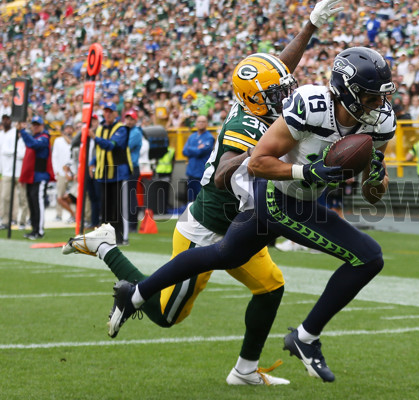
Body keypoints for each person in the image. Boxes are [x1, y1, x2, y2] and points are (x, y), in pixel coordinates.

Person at [62, 0, 343, 386]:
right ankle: (105, 246)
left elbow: (279, 67)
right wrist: (255, 156)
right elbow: (223, 174)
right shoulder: (247, 125)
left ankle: (244, 371)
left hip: (241, 226)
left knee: (271, 287)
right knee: (166, 316)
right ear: (258, 99)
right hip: (207, 230)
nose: (286, 95)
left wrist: (309, 25)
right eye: (278, 92)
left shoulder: (258, 101)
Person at [103, 46, 396, 383]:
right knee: (369, 257)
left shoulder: (381, 122)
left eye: (382, 96)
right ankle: (305, 337)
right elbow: (257, 162)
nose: (380, 105)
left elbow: (372, 194)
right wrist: (306, 173)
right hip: (278, 195)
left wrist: (376, 176)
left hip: (299, 199)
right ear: (348, 90)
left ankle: (135, 294)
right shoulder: (311, 106)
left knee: (221, 254)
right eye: (372, 97)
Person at [89, 102, 132, 244]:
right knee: (105, 208)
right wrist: (92, 162)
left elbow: (111, 146)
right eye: (105, 111)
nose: (107, 114)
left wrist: (95, 137)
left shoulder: (121, 129)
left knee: (119, 208)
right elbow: (101, 151)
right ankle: (106, 237)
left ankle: (122, 237)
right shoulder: (101, 128)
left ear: (115, 114)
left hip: (119, 173)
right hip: (104, 173)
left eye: (110, 111)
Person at [18, 115, 55, 239]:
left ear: (42, 126)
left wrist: (22, 131)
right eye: (33, 125)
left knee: (38, 203)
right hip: (32, 176)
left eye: (37, 125)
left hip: (40, 176)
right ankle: (34, 229)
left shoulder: (44, 138)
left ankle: (39, 230)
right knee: (32, 202)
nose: (35, 127)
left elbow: (33, 144)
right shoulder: (36, 137)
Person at [0, 113, 27, 230]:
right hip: (6, 171)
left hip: (19, 171)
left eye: (7, 119)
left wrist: (9, 152)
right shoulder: (1, 134)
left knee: (23, 198)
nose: (6, 121)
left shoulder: (16, 133)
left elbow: (21, 152)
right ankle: (5, 220)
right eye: (4, 119)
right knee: (5, 197)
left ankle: (22, 220)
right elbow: (3, 152)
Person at [182, 115, 214, 202]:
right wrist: (196, 148)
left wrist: (191, 148)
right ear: (196, 123)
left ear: (207, 123)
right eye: (199, 121)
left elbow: (200, 152)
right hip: (191, 172)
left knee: (201, 199)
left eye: (203, 122)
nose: (201, 123)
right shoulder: (192, 136)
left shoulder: (209, 137)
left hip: (202, 172)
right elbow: (184, 151)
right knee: (191, 199)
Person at [52, 123, 74, 222]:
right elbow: (54, 157)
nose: (69, 130)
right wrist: (56, 170)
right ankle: (58, 214)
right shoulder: (58, 141)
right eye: (67, 128)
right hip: (61, 172)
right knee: (59, 195)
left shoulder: (75, 140)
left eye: (70, 128)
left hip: (72, 172)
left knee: (71, 195)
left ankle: (72, 214)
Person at [124, 110, 142, 233]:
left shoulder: (135, 132)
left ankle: (132, 223)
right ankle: (128, 222)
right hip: (126, 167)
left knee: (130, 196)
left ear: (135, 121)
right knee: (127, 196)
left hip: (132, 167)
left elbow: (125, 147)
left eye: (131, 119)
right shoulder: (128, 131)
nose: (129, 121)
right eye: (127, 119)